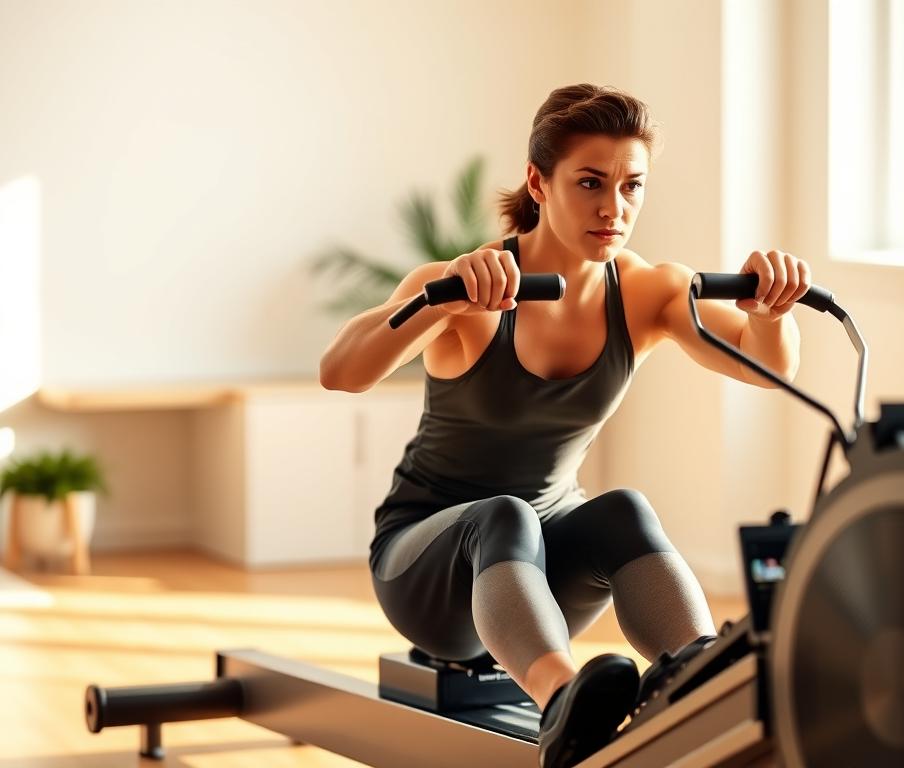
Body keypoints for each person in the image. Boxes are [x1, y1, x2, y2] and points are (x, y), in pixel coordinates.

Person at [319, 83, 810, 768]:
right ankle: (560, 705)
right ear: (538, 183)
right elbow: (339, 370)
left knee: (621, 512)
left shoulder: (644, 292)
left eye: (632, 186)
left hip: (541, 575)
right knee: (505, 515)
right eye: (590, 183)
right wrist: (441, 301)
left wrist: (771, 312)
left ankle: (701, 676)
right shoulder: (472, 288)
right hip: (427, 570)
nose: (614, 208)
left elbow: (763, 368)